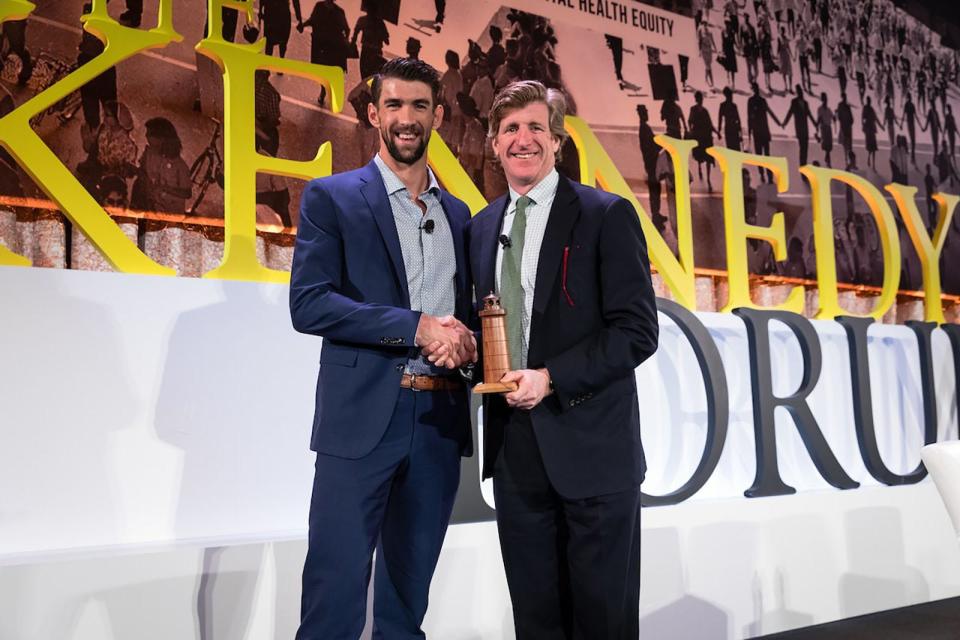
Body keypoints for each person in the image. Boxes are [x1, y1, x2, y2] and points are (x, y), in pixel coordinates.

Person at [289, 57, 476, 639]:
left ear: (437, 116)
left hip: (440, 422)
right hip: (362, 418)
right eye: (394, 105)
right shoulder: (333, 198)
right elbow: (310, 304)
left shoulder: (459, 214)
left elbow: (462, 315)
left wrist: (464, 342)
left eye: (419, 106)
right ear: (373, 113)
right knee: (334, 598)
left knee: (406, 604)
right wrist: (415, 327)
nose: (406, 118)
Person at [465, 79, 658, 639]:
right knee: (537, 620)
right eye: (509, 130)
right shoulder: (479, 229)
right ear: (494, 144)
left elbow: (636, 332)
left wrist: (551, 378)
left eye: (534, 128)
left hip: (593, 450)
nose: (522, 139)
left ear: (557, 140)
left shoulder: (605, 215)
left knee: (602, 621)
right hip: (516, 458)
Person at [131, 117, 191, 214]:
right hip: (151, 205)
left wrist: (165, 188)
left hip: (169, 211)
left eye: (150, 134)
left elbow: (187, 193)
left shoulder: (180, 166)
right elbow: (143, 172)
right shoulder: (149, 153)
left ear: (162, 138)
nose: (146, 136)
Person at [300, 0, 349, 107]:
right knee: (330, 70)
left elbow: (312, 20)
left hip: (321, 45)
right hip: (332, 47)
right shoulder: (339, 12)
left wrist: (303, 25)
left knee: (322, 70)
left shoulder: (319, 6)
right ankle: (327, 91)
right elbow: (346, 29)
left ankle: (323, 92)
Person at [637, 104, 665, 228]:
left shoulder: (644, 128)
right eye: (646, 112)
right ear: (643, 114)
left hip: (650, 163)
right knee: (655, 189)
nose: (647, 114)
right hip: (651, 163)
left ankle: (656, 214)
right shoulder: (645, 129)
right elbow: (651, 145)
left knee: (655, 189)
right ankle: (655, 216)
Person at [747, 81, 780, 182]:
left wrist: (749, 133)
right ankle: (768, 175)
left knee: (760, 154)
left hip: (758, 132)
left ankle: (763, 174)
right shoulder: (762, 101)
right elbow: (769, 112)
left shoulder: (751, 101)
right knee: (766, 154)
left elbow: (749, 118)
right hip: (763, 131)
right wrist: (778, 122)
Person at [688, 90, 717, 191]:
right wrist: (691, 131)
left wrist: (716, 132)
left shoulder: (704, 111)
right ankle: (700, 167)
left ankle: (708, 178)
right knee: (701, 156)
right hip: (699, 136)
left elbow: (710, 124)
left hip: (705, 137)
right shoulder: (695, 110)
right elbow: (690, 121)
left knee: (708, 157)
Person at [781, 84, 816, 166]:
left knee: (805, 147)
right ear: (797, 92)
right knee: (802, 147)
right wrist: (785, 123)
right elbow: (790, 113)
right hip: (800, 128)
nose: (800, 93)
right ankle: (802, 164)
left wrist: (815, 124)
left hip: (805, 128)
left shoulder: (805, 103)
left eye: (800, 91)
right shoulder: (794, 102)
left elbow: (809, 114)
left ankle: (804, 163)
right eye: (799, 91)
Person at [352, 7, 390, 79]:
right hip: (375, 52)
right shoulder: (380, 23)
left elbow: (355, 34)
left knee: (365, 77)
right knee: (372, 77)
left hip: (367, 51)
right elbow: (387, 41)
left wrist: (352, 44)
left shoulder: (363, 20)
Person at [717, 86, 743, 151]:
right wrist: (740, 133)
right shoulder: (733, 106)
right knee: (736, 149)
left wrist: (719, 131)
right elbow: (738, 120)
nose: (731, 97)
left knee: (731, 149)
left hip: (729, 129)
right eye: (730, 95)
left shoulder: (723, 105)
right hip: (733, 129)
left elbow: (720, 119)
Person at [814, 92, 834, 168]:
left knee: (828, 145)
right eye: (824, 99)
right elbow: (819, 119)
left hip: (828, 127)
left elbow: (832, 117)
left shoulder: (828, 110)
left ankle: (827, 158)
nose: (826, 101)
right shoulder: (820, 109)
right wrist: (817, 127)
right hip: (824, 127)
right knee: (827, 145)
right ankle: (828, 160)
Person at [862, 96, 879, 170]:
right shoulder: (866, 108)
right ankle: (870, 158)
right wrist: (863, 126)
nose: (869, 102)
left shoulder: (871, 109)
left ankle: (873, 164)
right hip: (869, 129)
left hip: (871, 129)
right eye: (869, 100)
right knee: (871, 147)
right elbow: (862, 118)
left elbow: (875, 118)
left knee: (873, 147)